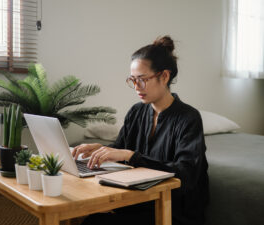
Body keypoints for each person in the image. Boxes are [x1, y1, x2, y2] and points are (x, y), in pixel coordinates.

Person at [72, 35, 209, 225]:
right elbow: (120, 149)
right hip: (139, 201)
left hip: (172, 210)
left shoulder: (188, 118)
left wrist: (131, 156)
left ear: (165, 76)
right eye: (132, 80)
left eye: (142, 80)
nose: (136, 87)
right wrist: (98, 148)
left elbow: (186, 175)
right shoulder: (137, 112)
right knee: (92, 220)